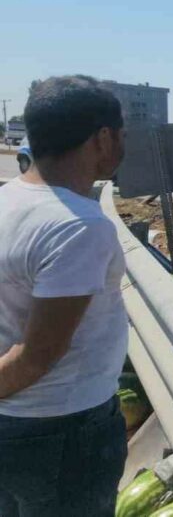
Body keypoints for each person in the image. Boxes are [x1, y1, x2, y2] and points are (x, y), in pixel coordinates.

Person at [0, 76, 128, 515]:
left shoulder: (8, 199)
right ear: (103, 138)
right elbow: (37, 356)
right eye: (122, 135)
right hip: (60, 432)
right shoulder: (79, 226)